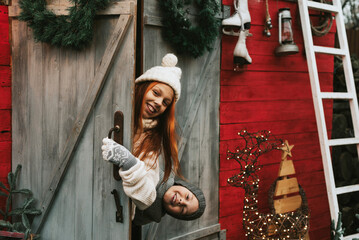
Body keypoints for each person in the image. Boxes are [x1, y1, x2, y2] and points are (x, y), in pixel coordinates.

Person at [102, 53, 184, 211]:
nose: (159, 103)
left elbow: (147, 198)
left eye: (166, 102)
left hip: (111, 210)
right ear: (142, 87)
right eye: (156, 93)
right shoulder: (112, 106)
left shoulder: (150, 142)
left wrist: (129, 163)